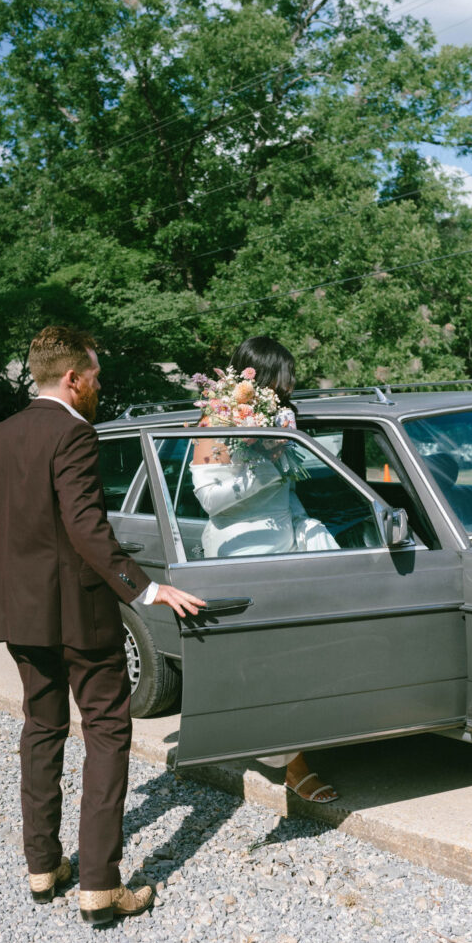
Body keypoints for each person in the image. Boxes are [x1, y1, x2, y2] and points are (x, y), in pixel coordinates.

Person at [0, 326, 204, 925]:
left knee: (42, 728)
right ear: (72, 378)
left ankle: (42, 867)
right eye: (94, 376)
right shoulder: (73, 431)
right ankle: (99, 884)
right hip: (79, 613)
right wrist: (147, 588)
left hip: (19, 611)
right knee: (106, 732)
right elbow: (87, 527)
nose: (98, 386)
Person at [191, 335, 339, 804]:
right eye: (277, 385)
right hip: (240, 553)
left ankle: (287, 742)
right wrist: (271, 466)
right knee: (271, 664)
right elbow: (210, 500)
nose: (282, 395)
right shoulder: (214, 422)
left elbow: (288, 493)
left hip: (285, 547)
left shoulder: (280, 419)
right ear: (253, 378)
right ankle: (293, 767)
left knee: (305, 653)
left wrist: (303, 529)